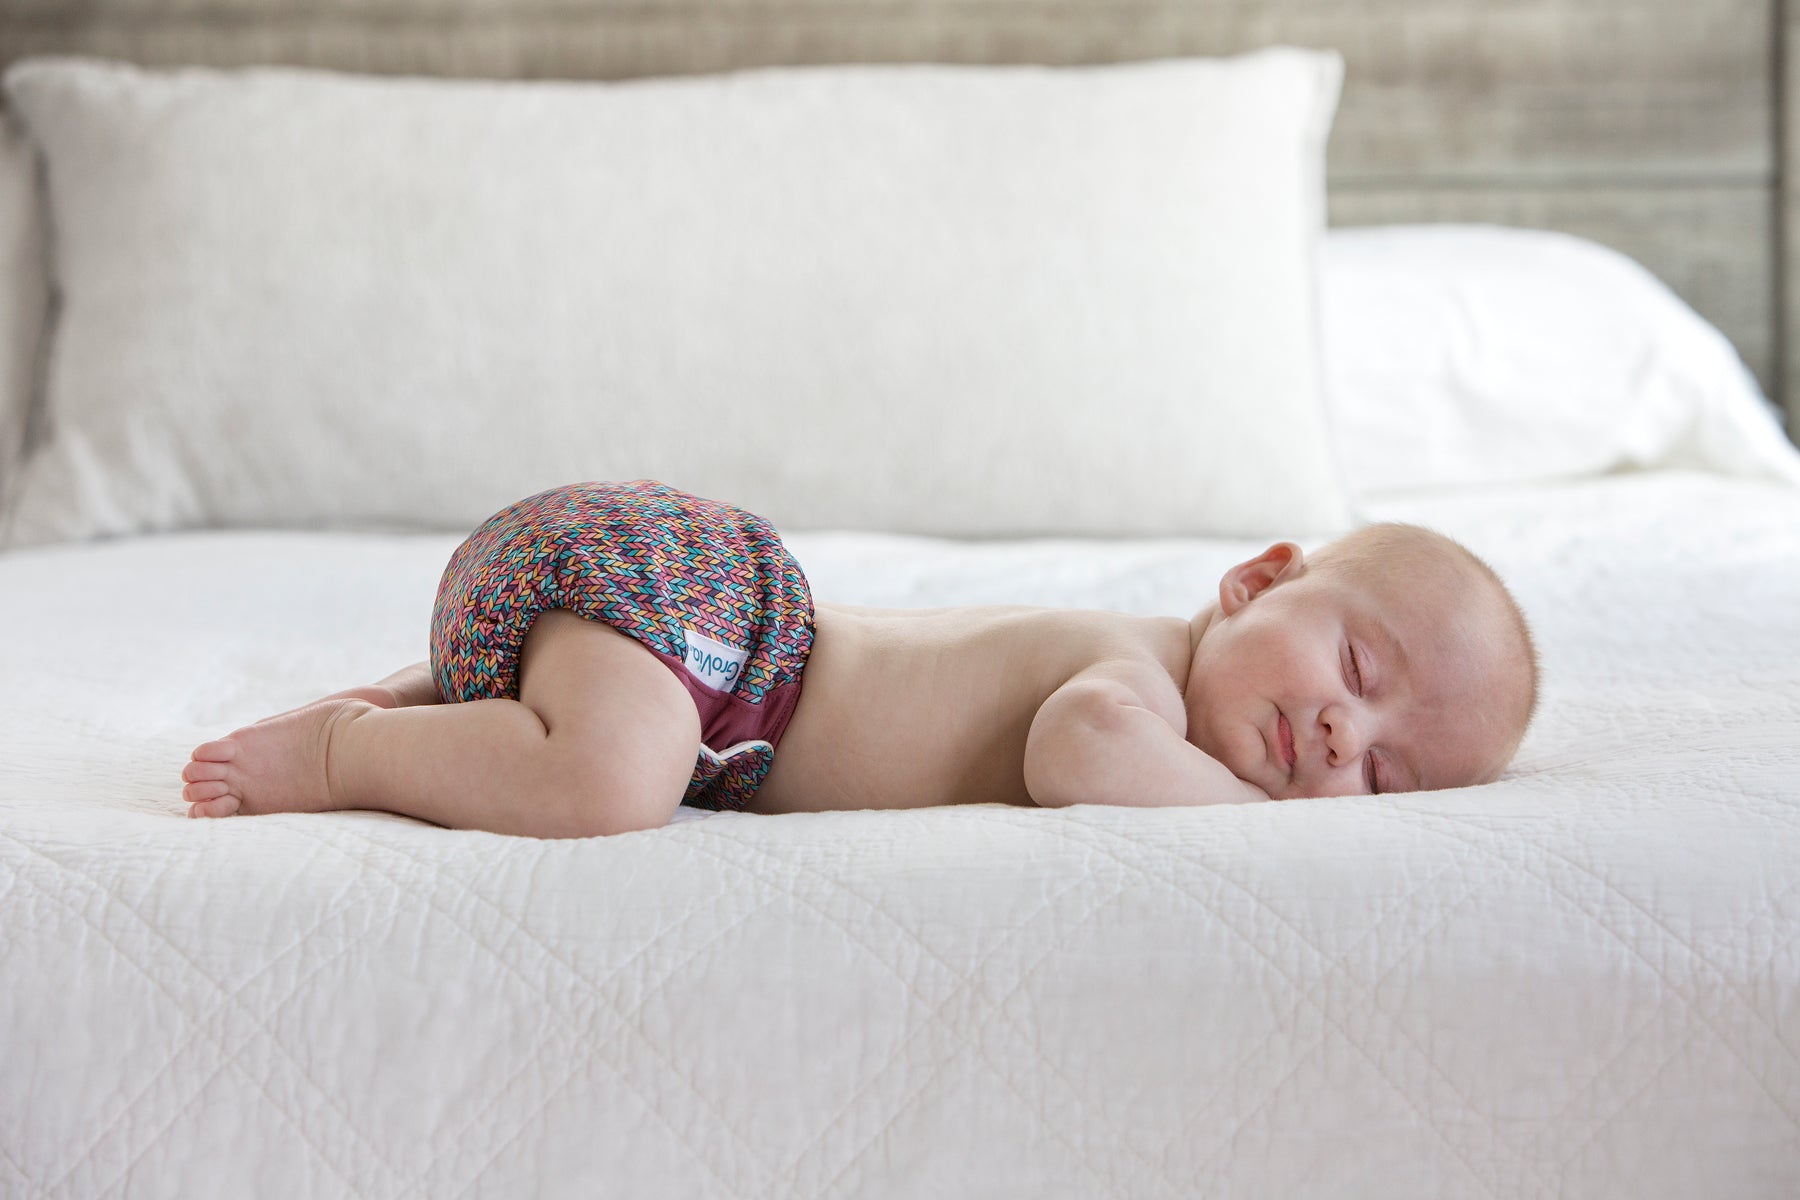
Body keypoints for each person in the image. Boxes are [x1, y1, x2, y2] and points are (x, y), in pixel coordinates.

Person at [179, 480, 1539, 836]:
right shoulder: (1131, 678)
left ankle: (419, 704)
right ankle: (345, 750)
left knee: (609, 735)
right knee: (607, 787)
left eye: (1395, 782)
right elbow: (1083, 756)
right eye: (1359, 668)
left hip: (679, 664)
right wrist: (1279, 823)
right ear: (1251, 583)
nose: (1348, 744)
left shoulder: (1152, 674)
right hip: (711, 610)